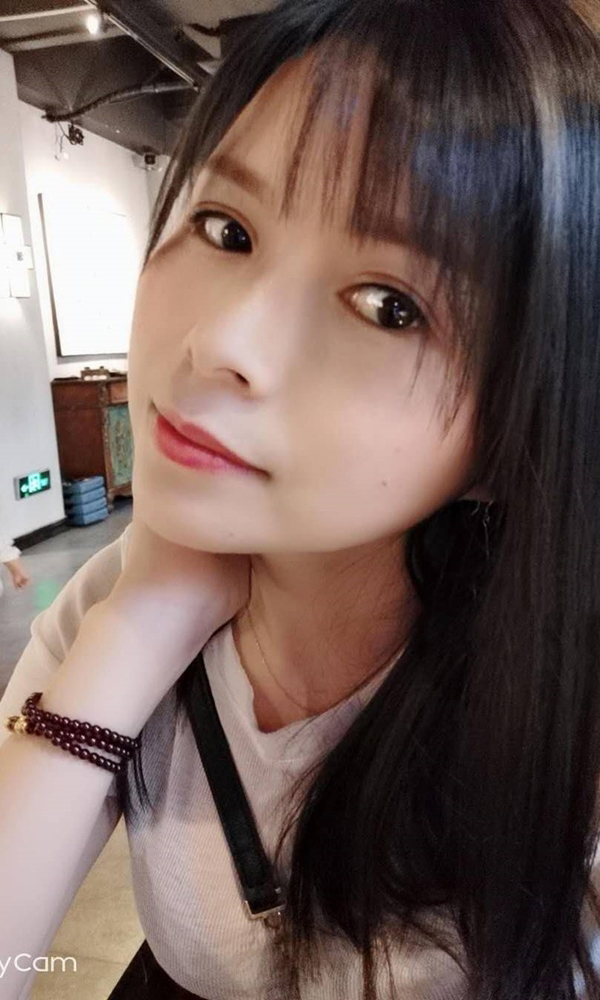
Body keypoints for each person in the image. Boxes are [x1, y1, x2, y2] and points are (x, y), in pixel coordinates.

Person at [0, 0, 599, 997]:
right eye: (226, 228)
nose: (221, 342)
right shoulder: (114, 597)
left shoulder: (567, 690)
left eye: (388, 305)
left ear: (520, 418)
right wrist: (141, 629)